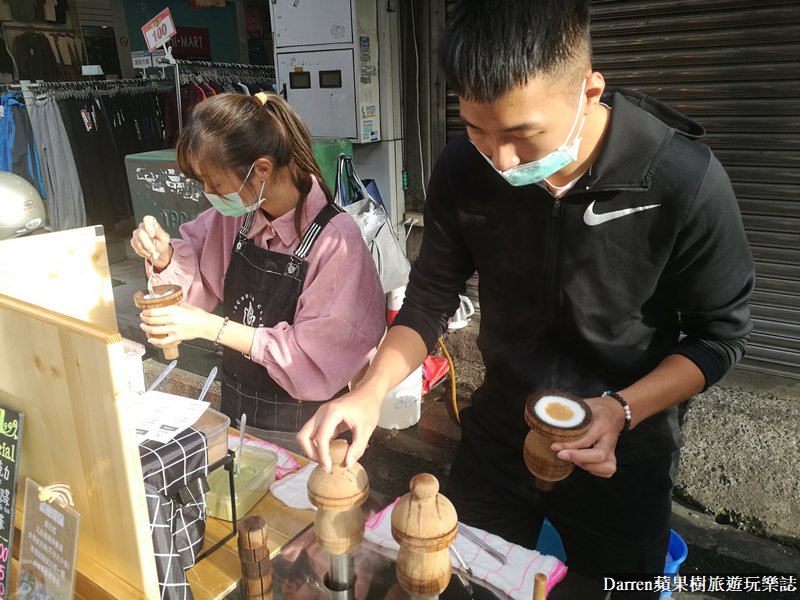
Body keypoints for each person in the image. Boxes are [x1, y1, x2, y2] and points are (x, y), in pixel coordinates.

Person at [298, 0, 755, 596]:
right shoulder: (464, 167)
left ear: (589, 91)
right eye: (477, 129)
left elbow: (719, 337)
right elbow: (429, 299)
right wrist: (369, 392)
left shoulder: (680, 179)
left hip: (621, 450)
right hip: (500, 437)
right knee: (461, 580)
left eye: (523, 135)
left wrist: (621, 410)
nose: (501, 159)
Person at [131, 92, 386, 451]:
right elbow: (198, 285)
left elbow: (312, 355)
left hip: (309, 430)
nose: (208, 194)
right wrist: (163, 256)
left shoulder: (335, 240)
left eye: (216, 183)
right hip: (237, 412)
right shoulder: (235, 218)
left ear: (262, 169)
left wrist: (211, 328)